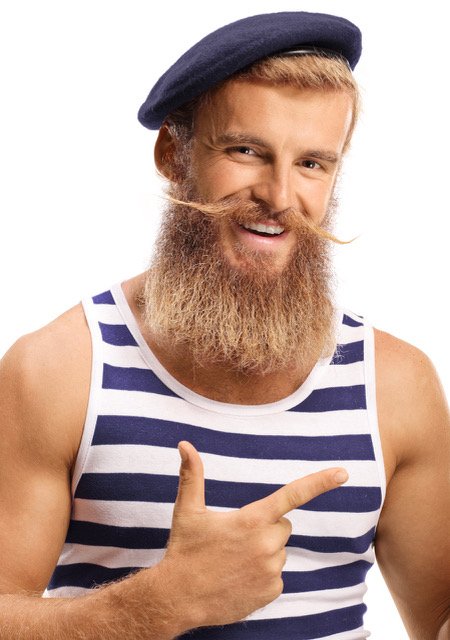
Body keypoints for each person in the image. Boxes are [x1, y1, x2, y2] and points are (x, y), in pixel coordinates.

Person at [0, 9, 448, 639]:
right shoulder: (60, 370)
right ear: (173, 154)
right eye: (246, 151)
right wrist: (154, 606)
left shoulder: (397, 386)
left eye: (312, 164)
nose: (280, 196)